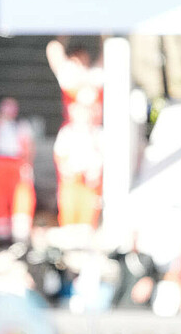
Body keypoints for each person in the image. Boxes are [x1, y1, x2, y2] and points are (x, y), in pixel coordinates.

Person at [0, 96, 36, 247]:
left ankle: (21, 237)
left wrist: (28, 166)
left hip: (17, 164)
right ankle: (2, 238)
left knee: (21, 199)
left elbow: (30, 147)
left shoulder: (21, 126)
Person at [53, 99, 103, 228]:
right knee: (69, 209)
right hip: (71, 179)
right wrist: (66, 171)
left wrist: (95, 173)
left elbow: (101, 156)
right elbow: (59, 154)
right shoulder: (67, 133)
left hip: (89, 180)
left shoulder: (97, 133)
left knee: (88, 211)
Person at [107, 230, 160, 310]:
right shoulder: (123, 257)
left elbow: (155, 275)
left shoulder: (146, 258)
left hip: (140, 303)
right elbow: (111, 256)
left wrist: (148, 282)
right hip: (122, 300)